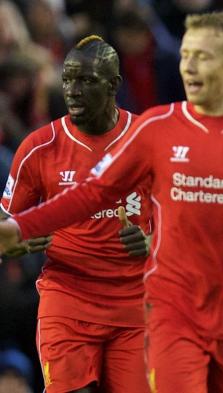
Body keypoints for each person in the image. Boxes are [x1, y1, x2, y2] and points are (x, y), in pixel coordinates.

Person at [0, 12, 223, 393]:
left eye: (203, 56)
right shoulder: (158, 128)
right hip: (159, 309)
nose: (190, 67)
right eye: (185, 55)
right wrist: (20, 227)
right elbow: (93, 192)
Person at [0, 35, 152, 393]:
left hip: (136, 306)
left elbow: (186, 220)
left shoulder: (148, 141)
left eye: (86, 80)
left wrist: (153, 240)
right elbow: (4, 230)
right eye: (67, 79)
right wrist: (13, 243)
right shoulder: (39, 149)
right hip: (67, 301)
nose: (73, 90)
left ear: (114, 84)